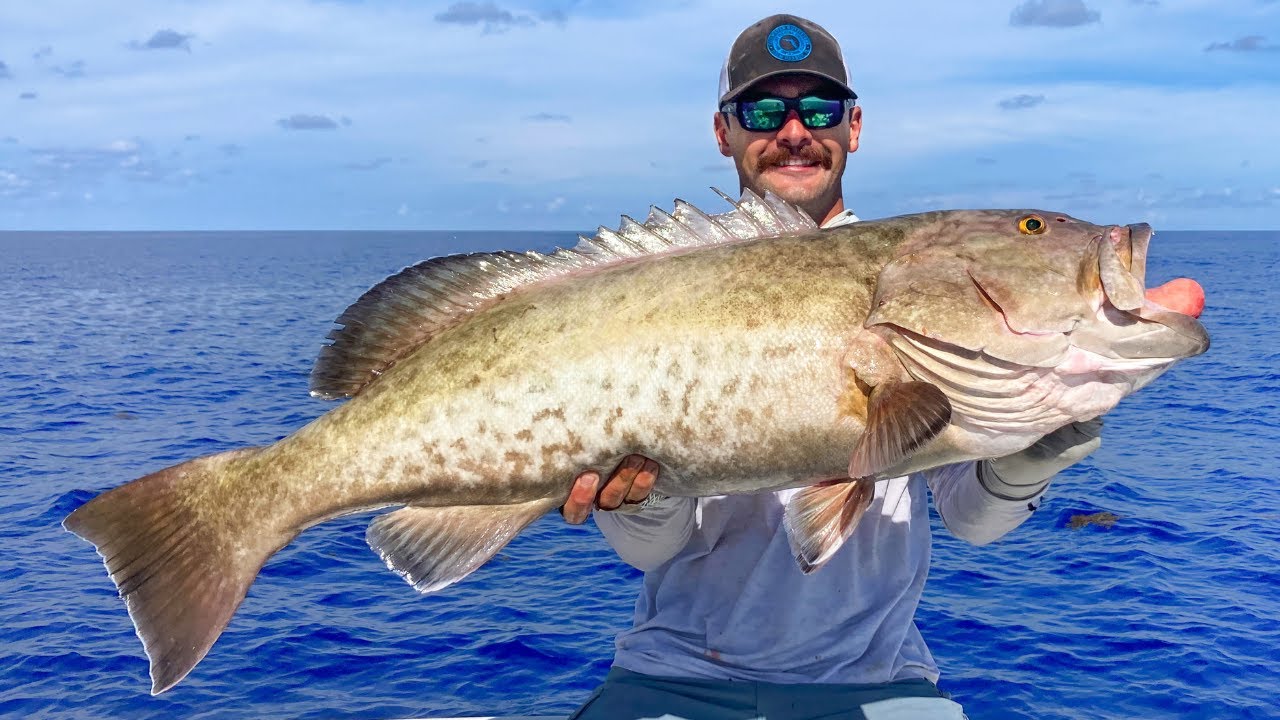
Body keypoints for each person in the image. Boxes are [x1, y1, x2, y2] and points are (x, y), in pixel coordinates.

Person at [561, 14, 1103, 720]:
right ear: (723, 132)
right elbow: (655, 548)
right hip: (673, 678)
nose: (793, 131)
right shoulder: (668, 287)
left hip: (879, 682)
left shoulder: (924, 284)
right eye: (763, 111)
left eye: (819, 109)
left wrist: (1029, 461)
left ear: (854, 126)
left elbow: (972, 519)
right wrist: (647, 493)